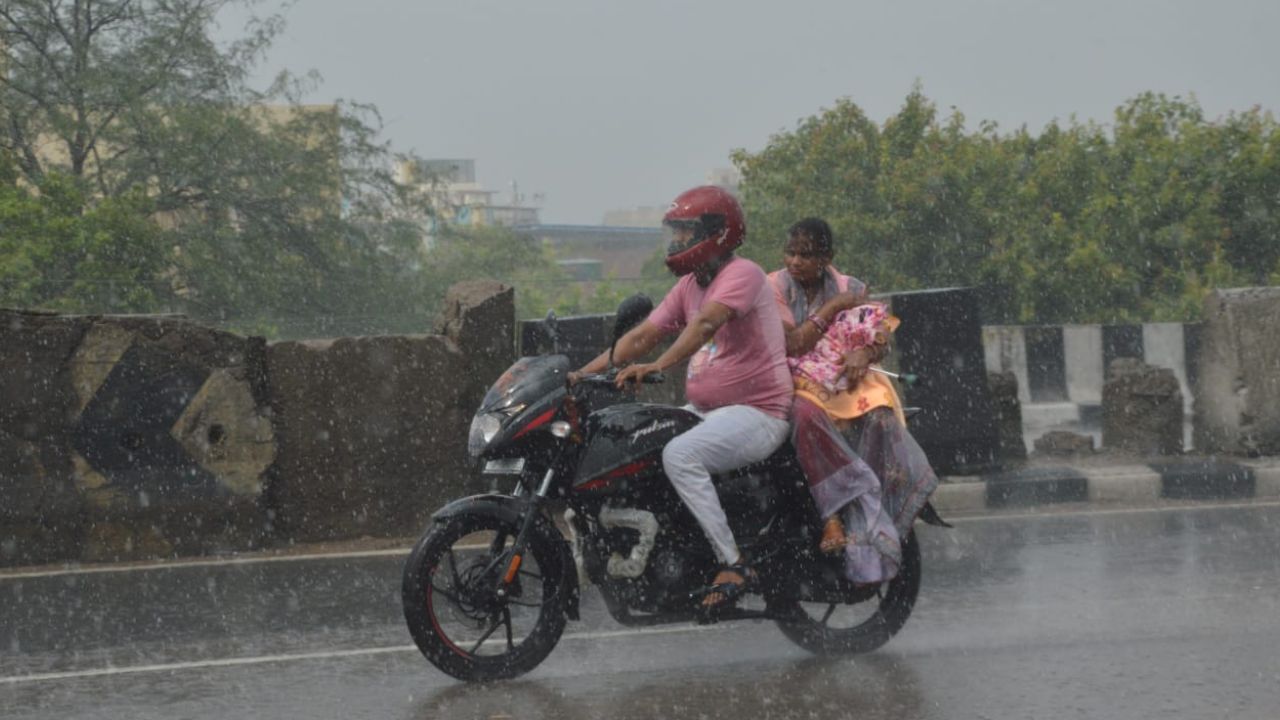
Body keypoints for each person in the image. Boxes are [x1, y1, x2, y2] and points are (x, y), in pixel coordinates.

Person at [571, 185, 793, 613]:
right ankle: (677, 549)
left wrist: (660, 366)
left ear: (717, 233)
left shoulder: (742, 273)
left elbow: (707, 324)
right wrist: (582, 375)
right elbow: (641, 336)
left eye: (684, 232)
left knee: (680, 456)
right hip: (709, 412)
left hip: (759, 413)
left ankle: (734, 564)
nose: (675, 242)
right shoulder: (690, 286)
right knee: (639, 441)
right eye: (673, 232)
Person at [769, 217, 938, 584]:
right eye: (790, 252)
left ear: (827, 257)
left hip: (846, 381)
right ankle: (834, 508)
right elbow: (794, 344)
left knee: (878, 416)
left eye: (806, 254)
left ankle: (870, 504)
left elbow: (878, 333)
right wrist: (833, 308)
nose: (795, 261)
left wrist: (866, 353)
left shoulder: (850, 286)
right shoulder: (775, 287)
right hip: (796, 381)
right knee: (803, 413)